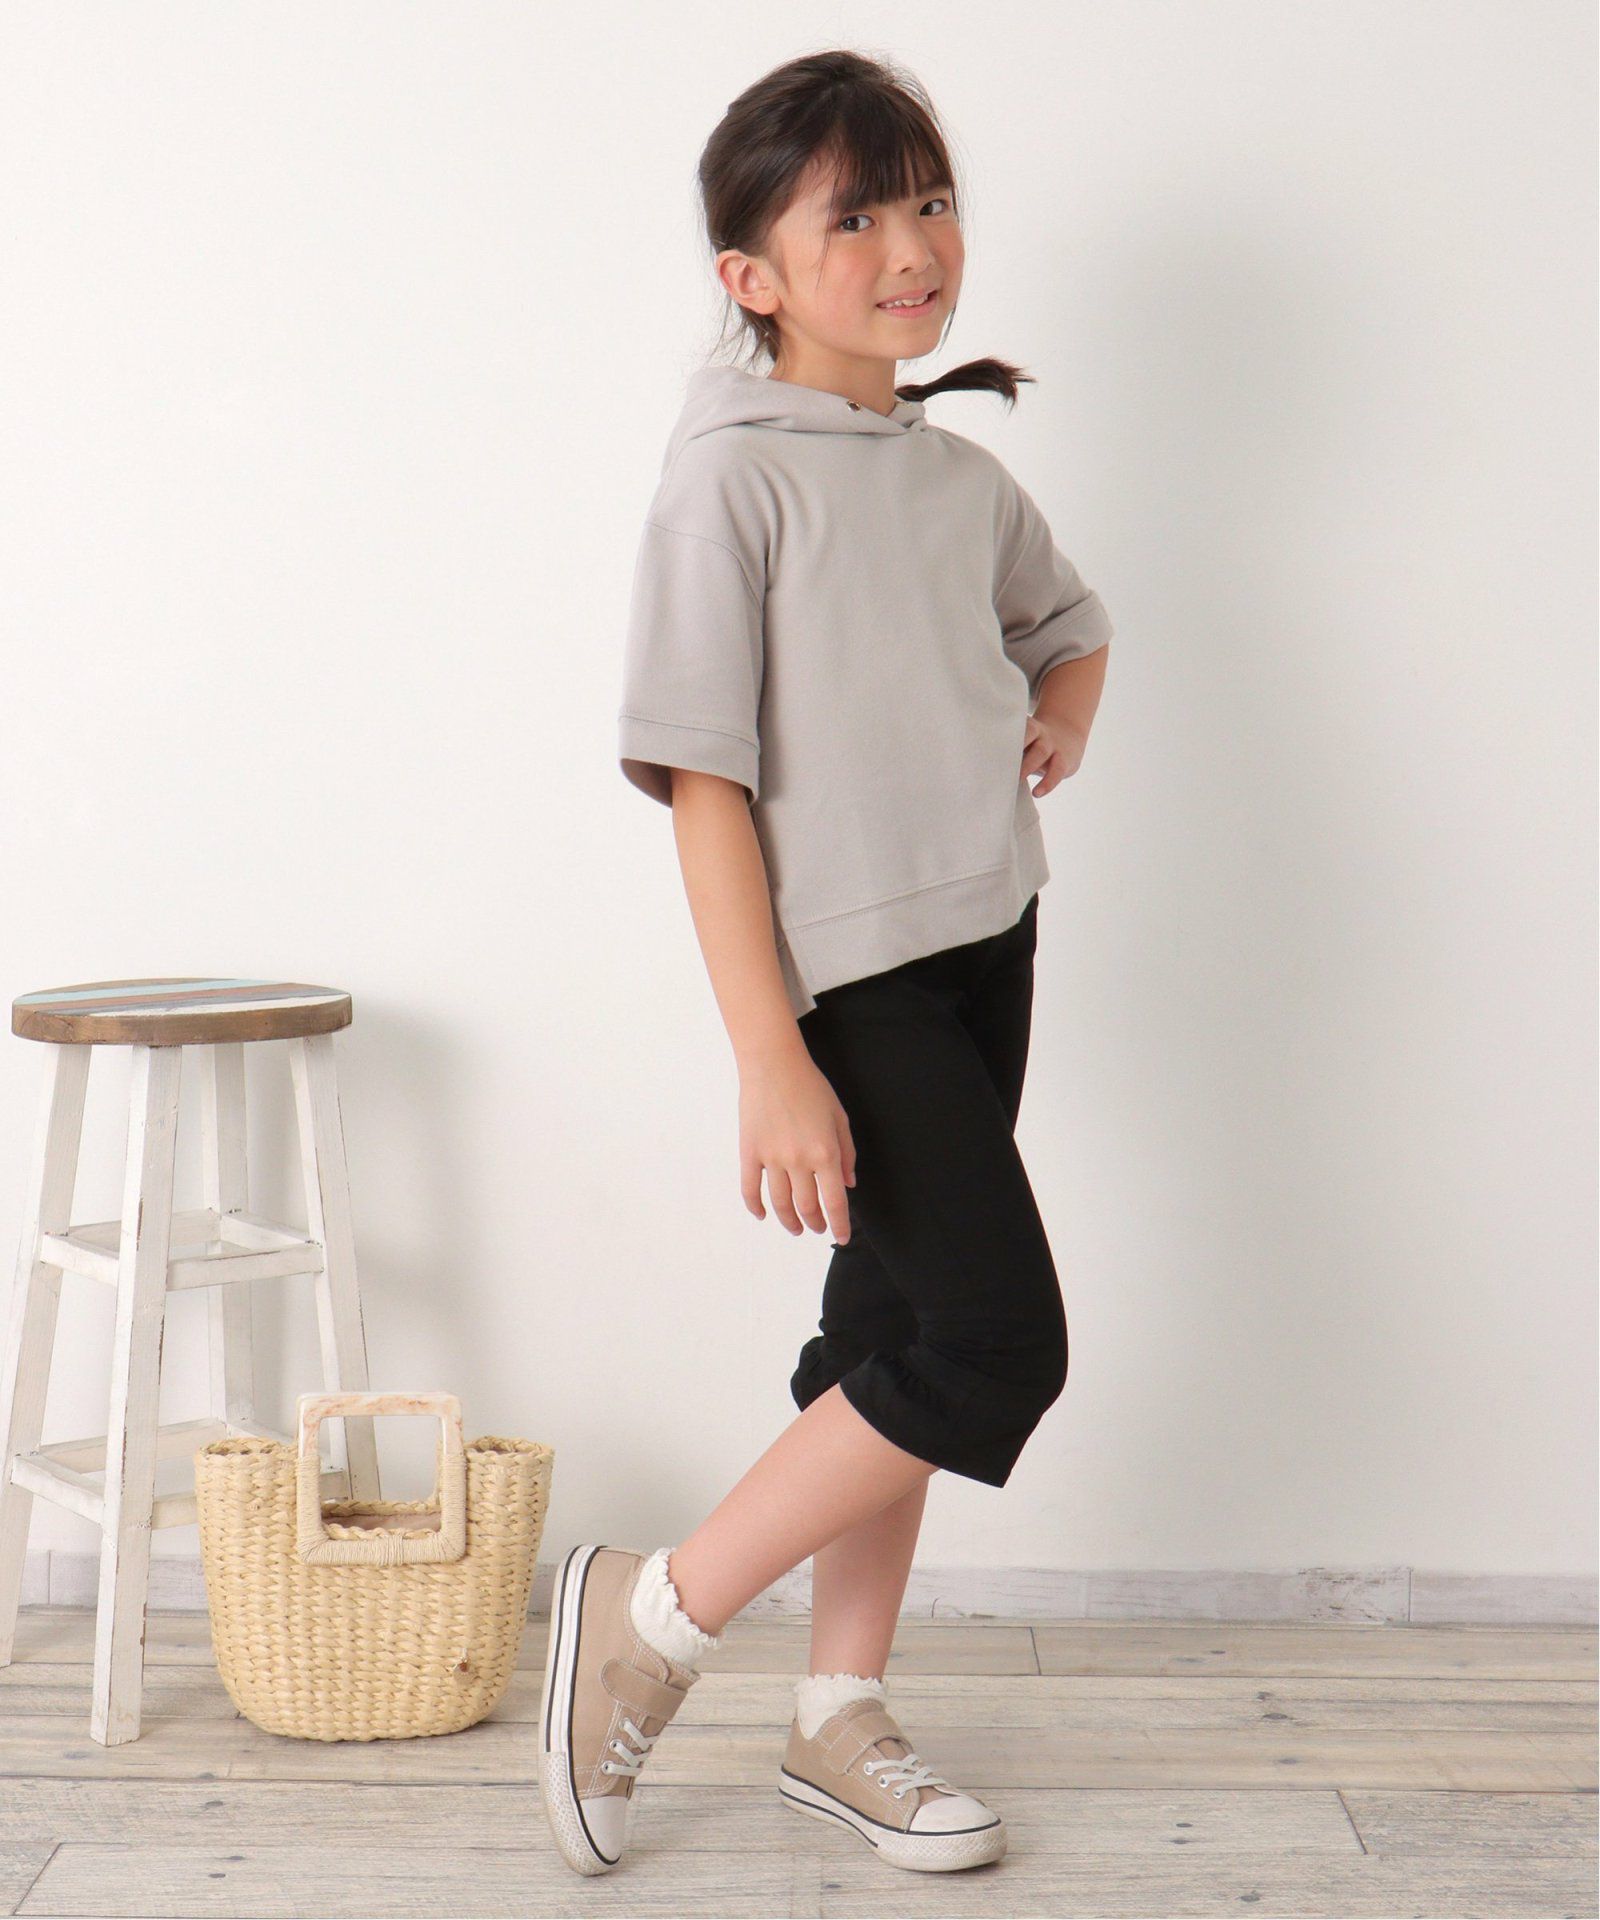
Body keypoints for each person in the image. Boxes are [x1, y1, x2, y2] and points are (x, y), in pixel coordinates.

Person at [539, 48, 1113, 1878]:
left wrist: (1063, 711)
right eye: (852, 218)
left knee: (893, 1335)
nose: (911, 245)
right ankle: (652, 1615)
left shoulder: (952, 478)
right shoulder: (726, 486)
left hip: (987, 943)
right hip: (850, 984)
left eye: (929, 201)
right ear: (754, 277)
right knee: (995, 1341)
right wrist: (769, 1051)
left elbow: (1070, 622)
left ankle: (835, 1715)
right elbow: (702, 788)